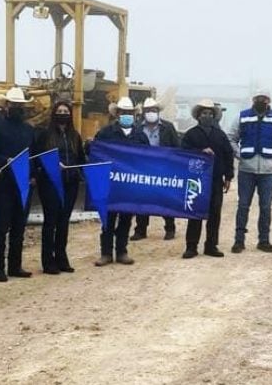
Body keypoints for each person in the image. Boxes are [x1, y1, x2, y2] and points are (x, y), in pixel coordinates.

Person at [228, 90, 272, 253]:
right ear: (253, 100)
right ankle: (239, 241)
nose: (261, 101)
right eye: (258, 99)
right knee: (243, 205)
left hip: (268, 171)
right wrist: (239, 155)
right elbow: (231, 138)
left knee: (265, 207)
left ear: (269, 101)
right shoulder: (242, 116)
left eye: (264, 99)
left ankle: (264, 240)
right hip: (246, 169)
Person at [93, 97, 149, 266]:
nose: (127, 115)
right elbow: (96, 153)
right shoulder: (106, 133)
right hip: (110, 183)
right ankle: (106, 253)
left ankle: (122, 251)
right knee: (108, 219)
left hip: (130, 185)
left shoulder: (140, 135)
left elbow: (148, 158)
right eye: (123, 112)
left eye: (129, 113)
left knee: (126, 219)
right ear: (117, 114)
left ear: (134, 114)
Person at [0, 87, 36, 282]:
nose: (17, 108)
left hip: (24, 182)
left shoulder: (29, 129)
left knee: (19, 227)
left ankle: (15, 266)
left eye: (20, 105)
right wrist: (4, 160)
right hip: (4, 183)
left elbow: (33, 154)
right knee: (1, 228)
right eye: (14, 105)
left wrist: (33, 176)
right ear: (6, 106)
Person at [33, 100, 86, 274]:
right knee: (51, 222)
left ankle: (62, 259)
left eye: (66, 111)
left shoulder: (75, 136)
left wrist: (80, 172)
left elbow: (80, 158)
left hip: (70, 183)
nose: (63, 113)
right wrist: (53, 165)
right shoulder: (44, 135)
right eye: (60, 110)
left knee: (64, 222)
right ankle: (48, 261)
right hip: (50, 183)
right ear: (54, 113)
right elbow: (37, 157)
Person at [182, 99, 234, 258]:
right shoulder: (190, 134)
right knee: (195, 212)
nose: (207, 116)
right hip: (196, 180)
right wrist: (200, 151)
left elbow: (228, 155)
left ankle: (211, 245)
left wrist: (228, 176)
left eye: (210, 114)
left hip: (216, 179)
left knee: (214, 213)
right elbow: (183, 153)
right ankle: (191, 246)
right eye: (204, 113)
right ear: (198, 116)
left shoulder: (220, 135)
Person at [132, 98, 181, 241]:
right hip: (143, 169)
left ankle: (170, 228)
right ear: (144, 113)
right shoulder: (137, 128)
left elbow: (177, 147)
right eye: (148, 110)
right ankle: (140, 230)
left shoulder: (168, 127)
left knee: (166, 198)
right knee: (142, 199)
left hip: (164, 168)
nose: (151, 113)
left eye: (154, 110)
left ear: (158, 112)